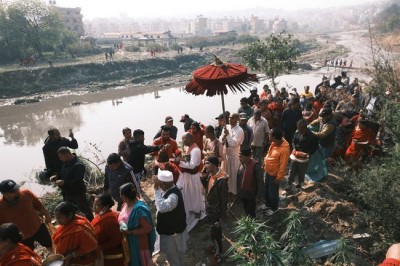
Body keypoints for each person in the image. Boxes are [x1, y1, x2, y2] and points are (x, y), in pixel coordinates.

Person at [0, 179, 52, 251]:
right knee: (29, 254)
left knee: (50, 245)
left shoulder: (26, 194)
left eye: (17, 188)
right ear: (5, 194)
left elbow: (39, 205)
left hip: (38, 227)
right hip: (22, 238)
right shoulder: (1, 207)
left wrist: (47, 215)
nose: (17, 192)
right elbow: (2, 228)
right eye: (13, 191)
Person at [154, 170, 188, 266]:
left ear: (164, 184)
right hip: (172, 231)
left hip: (173, 235)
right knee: (177, 257)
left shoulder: (173, 196)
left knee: (174, 258)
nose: (159, 186)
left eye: (160, 184)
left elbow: (162, 207)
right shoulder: (170, 190)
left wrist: (156, 190)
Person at [50, 147, 93, 221]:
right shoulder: (65, 163)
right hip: (67, 193)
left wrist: (64, 182)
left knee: (85, 210)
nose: (60, 159)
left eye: (60, 157)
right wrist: (56, 176)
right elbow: (62, 173)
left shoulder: (78, 165)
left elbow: (78, 181)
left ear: (66, 154)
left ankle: (93, 224)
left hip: (78, 193)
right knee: (68, 211)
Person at [119, 183, 156, 266]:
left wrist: (131, 232)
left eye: (120, 195)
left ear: (124, 197)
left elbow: (148, 228)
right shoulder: (125, 205)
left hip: (139, 244)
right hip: (128, 242)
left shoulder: (139, 210)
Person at [200, 156, 228, 262]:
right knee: (212, 231)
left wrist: (221, 218)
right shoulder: (210, 176)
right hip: (210, 210)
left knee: (217, 234)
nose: (206, 166)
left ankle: (219, 253)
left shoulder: (221, 181)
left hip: (216, 213)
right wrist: (203, 175)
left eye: (208, 164)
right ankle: (214, 247)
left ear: (214, 165)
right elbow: (207, 188)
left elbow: (224, 201)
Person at [176, 133, 206, 230]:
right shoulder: (190, 148)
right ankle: (190, 208)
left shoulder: (196, 150)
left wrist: (179, 162)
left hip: (192, 177)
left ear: (189, 139)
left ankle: (197, 210)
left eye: (183, 139)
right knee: (188, 193)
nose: (183, 141)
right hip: (187, 176)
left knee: (194, 193)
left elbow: (192, 165)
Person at [285, 119, 319, 194]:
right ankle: (289, 184)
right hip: (295, 155)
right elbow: (293, 141)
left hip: (304, 157)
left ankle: (300, 185)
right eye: (298, 127)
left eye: (299, 127)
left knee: (301, 171)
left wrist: (308, 153)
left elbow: (315, 147)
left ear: (304, 127)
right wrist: (294, 148)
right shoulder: (297, 133)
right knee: (292, 169)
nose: (298, 128)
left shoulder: (312, 136)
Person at [91, 194, 125, 266]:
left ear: (106, 207)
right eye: (93, 204)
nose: (94, 207)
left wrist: (100, 248)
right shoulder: (99, 215)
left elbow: (116, 240)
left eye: (97, 205)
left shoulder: (110, 221)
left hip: (111, 257)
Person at [263, 128, 290, 215]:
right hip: (268, 171)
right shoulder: (274, 143)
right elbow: (269, 154)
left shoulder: (284, 149)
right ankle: (267, 204)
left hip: (274, 175)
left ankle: (274, 209)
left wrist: (278, 178)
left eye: (270, 135)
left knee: (273, 193)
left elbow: (283, 165)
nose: (268, 135)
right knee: (267, 190)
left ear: (274, 137)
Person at [220, 113, 244, 196]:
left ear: (237, 119)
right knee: (225, 175)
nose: (230, 119)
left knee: (233, 177)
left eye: (232, 118)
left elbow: (234, 144)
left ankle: (233, 194)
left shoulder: (240, 130)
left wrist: (228, 135)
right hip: (225, 155)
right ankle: (226, 192)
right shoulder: (227, 127)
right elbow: (220, 139)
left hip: (234, 157)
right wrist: (223, 138)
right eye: (229, 117)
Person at [237, 149, 264, 218]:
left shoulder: (256, 166)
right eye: (239, 157)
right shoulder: (241, 164)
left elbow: (260, 182)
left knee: (251, 211)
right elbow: (239, 178)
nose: (240, 159)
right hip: (243, 193)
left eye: (241, 157)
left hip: (251, 195)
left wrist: (258, 196)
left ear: (248, 157)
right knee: (246, 210)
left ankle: (252, 225)